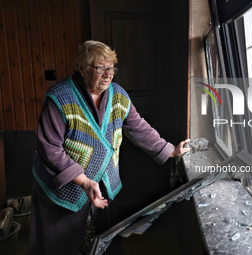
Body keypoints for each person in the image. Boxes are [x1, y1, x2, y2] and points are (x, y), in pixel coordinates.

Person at [30, 40, 190, 255]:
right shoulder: (59, 97)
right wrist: (83, 181)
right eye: (101, 68)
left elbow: (138, 127)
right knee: (63, 243)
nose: (108, 74)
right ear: (81, 68)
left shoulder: (118, 95)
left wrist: (169, 150)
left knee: (102, 239)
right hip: (64, 185)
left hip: (102, 181)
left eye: (112, 68)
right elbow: (50, 148)